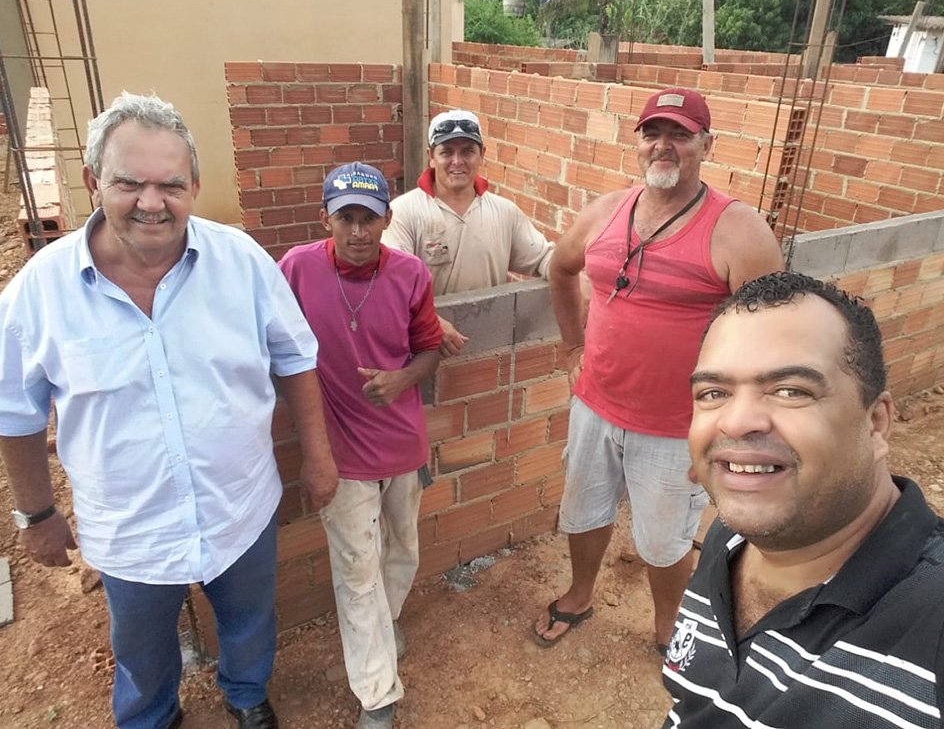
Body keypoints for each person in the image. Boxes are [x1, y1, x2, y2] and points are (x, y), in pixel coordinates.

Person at [0, 93, 339, 729]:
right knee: (142, 650)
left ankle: (245, 693)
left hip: (239, 507)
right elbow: (12, 410)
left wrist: (318, 457)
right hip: (131, 531)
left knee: (250, 620)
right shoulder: (41, 290)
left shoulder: (241, 262)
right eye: (129, 183)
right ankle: (151, 716)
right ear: (93, 182)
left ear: (194, 187)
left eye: (171, 185)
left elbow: (295, 357)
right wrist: (36, 514)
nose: (152, 202)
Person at [664, 270, 944, 727]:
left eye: (791, 391)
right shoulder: (731, 537)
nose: (736, 422)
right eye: (714, 393)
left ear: (875, 423)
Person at [533, 88, 785, 653]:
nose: (663, 145)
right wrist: (572, 349)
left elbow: (768, 342)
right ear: (639, 143)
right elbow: (561, 268)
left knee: (664, 539)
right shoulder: (605, 211)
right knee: (583, 512)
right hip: (595, 406)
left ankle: (669, 622)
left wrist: (724, 432)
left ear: (706, 145)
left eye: (680, 135)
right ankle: (579, 593)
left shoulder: (738, 231)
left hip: (677, 427)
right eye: (653, 133)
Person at [278, 162, 443, 729]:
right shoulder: (296, 269)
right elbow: (267, 338)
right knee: (356, 570)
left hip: (402, 444)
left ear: (386, 219)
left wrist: (400, 380)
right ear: (324, 218)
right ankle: (377, 693)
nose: (357, 231)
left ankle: (384, 621)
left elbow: (429, 349)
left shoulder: (410, 274)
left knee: (403, 550)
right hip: (341, 453)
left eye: (368, 218)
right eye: (345, 217)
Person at [382, 109, 554, 356]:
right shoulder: (404, 212)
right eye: (446, 152)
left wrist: (575, 278)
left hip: (488, 347)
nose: (457, 161)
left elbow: (544, 257)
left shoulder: (504, 212)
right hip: (425, 349)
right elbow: (391, 282)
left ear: (482, 154)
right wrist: (429, 320)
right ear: (431, 157)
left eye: (467, 151)